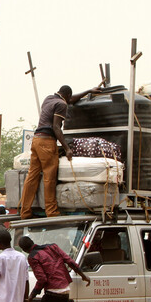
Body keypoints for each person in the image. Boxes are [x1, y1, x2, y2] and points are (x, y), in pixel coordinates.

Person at [19, 84, 100, 219]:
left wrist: (88, 91)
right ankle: (51, 212)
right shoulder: (62, 105)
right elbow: (56, 127)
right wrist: (67, 148)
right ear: (67, 96)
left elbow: (70, 99)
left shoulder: (49, 99)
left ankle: (25, 211)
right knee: (49, 178)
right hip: (47, 141)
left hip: (36, 140)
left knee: (32, 177)